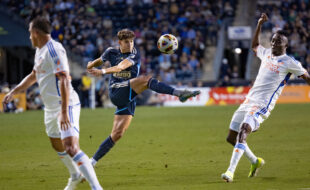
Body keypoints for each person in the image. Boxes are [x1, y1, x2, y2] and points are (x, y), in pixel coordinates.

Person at [2, 17, 103, 190]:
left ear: (35, 33)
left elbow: (63, 78)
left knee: (71, 147)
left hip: (66, 104)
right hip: (49, 108)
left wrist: (63, 111)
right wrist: (15, 90)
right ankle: (75, 175)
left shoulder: (54, 49)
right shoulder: (39, 51)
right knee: (57, 144)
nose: (29, 37)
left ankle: (96, 188)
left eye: (29, 34)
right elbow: (34, 75)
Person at [86, 29, 200, 166]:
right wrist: (91, 64)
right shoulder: (111, 51)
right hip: (116, 91)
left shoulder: (134, 54)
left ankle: (91, 162)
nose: (130, 44)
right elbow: (100, 60)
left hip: (128, 96)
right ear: (120, 42)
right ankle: (179, 93)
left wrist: (102, 71)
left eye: (132, 41)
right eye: (126, 42)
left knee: (117, 134)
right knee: (146, 80)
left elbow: (120, 67)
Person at [221, 13, 310, 182]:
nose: (275, 43)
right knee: (230, 138)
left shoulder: (290, 62)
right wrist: (259, 24)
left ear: (286, 45)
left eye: (279, 41)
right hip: (249, 101)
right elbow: (254, 45)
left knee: (243, 130)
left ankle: (230, 172)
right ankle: (255, 161)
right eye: (274, 40)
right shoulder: (266, 53)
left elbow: (307, 77)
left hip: (262, 105)